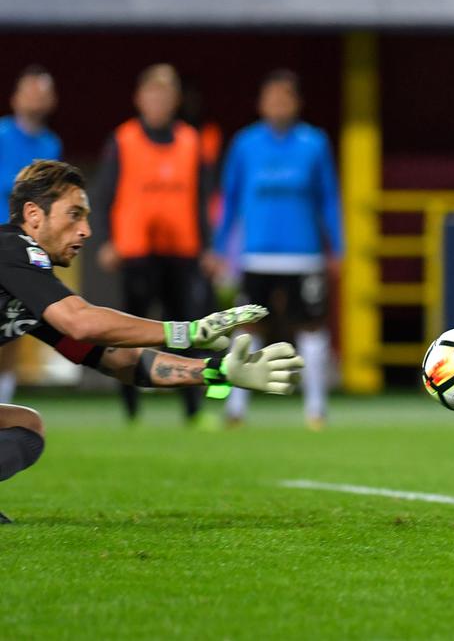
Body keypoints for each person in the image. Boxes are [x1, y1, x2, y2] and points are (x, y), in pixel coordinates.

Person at [0, 159, 301, 522]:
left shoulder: (27, 284)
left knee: (25, 427)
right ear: (33, 214)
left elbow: (118, 360)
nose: (86, 230)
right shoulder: (12, 248)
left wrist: (216, 371)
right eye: (74, 214)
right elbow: (80, 322)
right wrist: (188, 331)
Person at [210, 70, 342, 431]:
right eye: (271, 98)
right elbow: (231, 199)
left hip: (304, 254)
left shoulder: (314, 143)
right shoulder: (245, 144)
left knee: (312, 331)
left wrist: (338, 246)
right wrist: (220, 247)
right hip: (257, 255)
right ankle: (235, 409)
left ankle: (316, 409)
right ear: (261, 104)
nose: (278, 105)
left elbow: (328, 198)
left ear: (297, 103)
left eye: (285, 98)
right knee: (247, 330)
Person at [93, 64, 214, 426]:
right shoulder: (123, 139)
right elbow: (102, 195)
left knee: (187, 333)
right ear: (139, 99)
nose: (158, 101)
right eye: (152, 94)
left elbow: (203, 198)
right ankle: (131, 409)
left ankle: (194, 410)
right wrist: (106, 241)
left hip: (182, 252)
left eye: (166, 95)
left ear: (175, 100)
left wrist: (208, 246)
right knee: (130, 335)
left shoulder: (192, 141)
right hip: (136, 252)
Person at [0, 66, 61, 405]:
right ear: (15, 97)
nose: (37, 98)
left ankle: (4, 400)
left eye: (43, 91)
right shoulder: (1, 135)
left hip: (26, 250)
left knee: (12, 327)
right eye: (31, 90)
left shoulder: (51, 143)